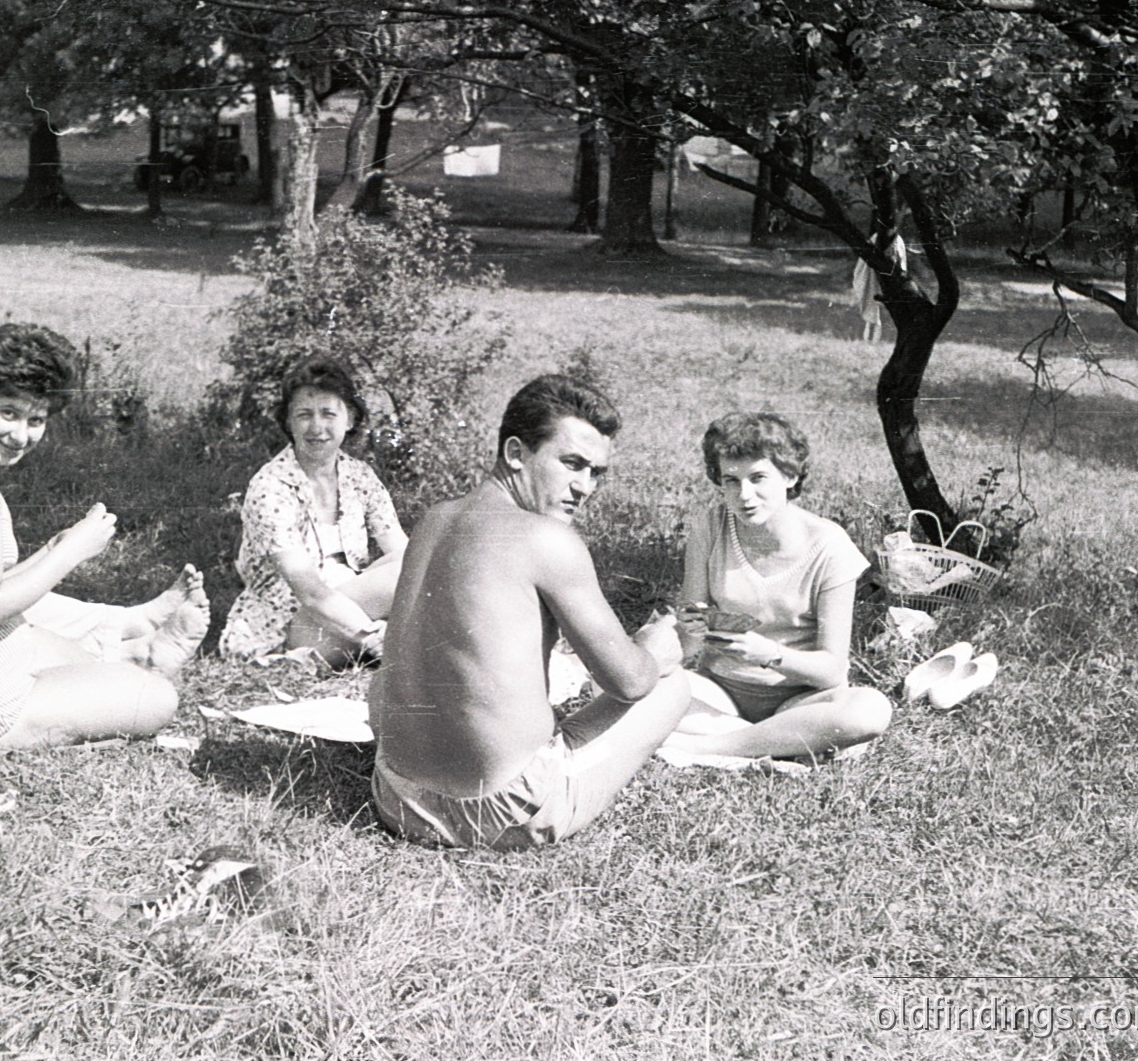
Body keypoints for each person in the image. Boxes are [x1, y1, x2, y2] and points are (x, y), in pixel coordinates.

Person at [368, 375, 690, 850]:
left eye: (596, 472)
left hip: (396, 797)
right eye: (572, 464)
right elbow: (630, 683)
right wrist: (654, 650)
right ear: (516, 454)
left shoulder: (435, 518)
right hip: (498, 813)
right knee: (673, 685)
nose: (585, 488)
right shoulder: (547, 540)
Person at [0, 323, 207, 748]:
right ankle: (138, 669)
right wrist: (71, 553)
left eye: (35, 419)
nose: (21, 435)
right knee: (159, 699)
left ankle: (141, 653)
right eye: (8, 413)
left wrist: (54, 545)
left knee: (56, 645)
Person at [665, 412, 891, 760]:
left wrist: (769, 653)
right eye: (730, 480)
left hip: (798, 701)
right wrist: (688, 627)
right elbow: (691, 622)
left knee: (870, 709)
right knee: (614, 681)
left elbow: (832, 669)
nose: (744, 495)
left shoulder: (830, 547)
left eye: (758, 478)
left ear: (789, 475)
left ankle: (708, 746)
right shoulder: (711, 525)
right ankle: (774, 742)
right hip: (719, 692)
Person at [220, 355, 408, 666]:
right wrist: (373, 637)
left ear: (349, 420)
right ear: (288, 422)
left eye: (328, 414)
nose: (317, 427)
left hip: (346, 610)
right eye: (304, 415)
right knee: (406, 573)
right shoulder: (271, 486)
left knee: (420, 561)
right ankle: (394, 641)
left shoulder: (359, 476)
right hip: (288, 626)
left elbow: (403, 552)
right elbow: (309, 592)